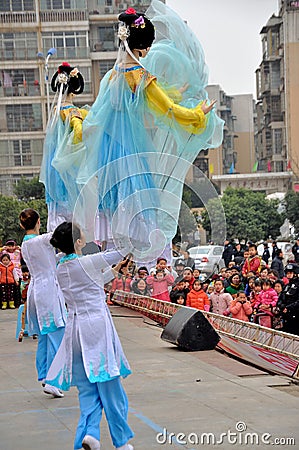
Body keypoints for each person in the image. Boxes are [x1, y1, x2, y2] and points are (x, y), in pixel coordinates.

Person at [58, 3, 223, 262]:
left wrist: (178, 93)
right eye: (148, 46)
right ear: (142, 46)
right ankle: (139, 263)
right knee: (141, 208)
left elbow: (102, 115)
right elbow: (168, 109)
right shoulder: (139, 75)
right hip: (131, 151)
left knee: (117, 208)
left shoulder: (112, 76)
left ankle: (116, 262)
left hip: (109, 153)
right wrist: (199, 113)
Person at [46, 222, 134, 450]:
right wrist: (133, 237)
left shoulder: (61, 267)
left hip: (74, 330)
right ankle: (121, 442)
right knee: (110, 386)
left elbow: (92, 280)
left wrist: (114, 271)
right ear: (77, 241)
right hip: (95, 327)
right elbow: (118, 251)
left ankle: (90, 435)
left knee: (87, 391)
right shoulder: (86, 262)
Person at [19, 208, 66, 398]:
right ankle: (54, 380)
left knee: (45, 337)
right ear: (38, 221)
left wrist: (61, 257)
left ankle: (46, 376)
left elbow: (45, 262)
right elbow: (60, 233)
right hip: (47, 291)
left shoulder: (25, 244)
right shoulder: (41, 240)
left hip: (37, 289)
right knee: (57, 335)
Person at [39, 62, 88, 232]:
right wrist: (74, 152)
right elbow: (79, 132)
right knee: (72, 212)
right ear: (74, 89)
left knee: (57, 212)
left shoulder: (54, 111)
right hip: (68, 168)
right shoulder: (72, 111)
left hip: (53, 167)